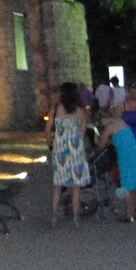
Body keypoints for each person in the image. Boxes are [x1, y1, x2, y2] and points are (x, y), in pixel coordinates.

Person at [48, 82, 92, 226]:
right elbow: (83, 131)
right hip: (75, 150)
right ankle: (75, 217)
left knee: (58, 185)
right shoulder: (80, 111)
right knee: (75, 186)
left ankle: (54, 216)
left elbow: (47, 129)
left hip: (60, 149)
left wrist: (53, 140)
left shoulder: (56, 109)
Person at [98, 105, 136, 222]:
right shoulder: (121, 122)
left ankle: (129, 213)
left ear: (104, 118)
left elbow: (101, 144)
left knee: (126, 185)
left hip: (125, 158)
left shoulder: (109, 128)